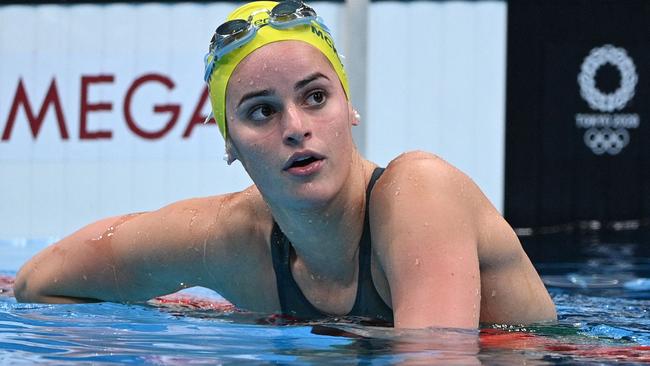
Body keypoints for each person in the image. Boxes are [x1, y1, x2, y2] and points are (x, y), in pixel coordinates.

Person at [14, 0, 556, 329]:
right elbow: (39, 283)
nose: (295, 125)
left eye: (316, 97)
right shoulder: (228, 241)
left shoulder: (420, 194)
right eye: (261, 112)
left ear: (350, 107)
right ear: (230, 144)